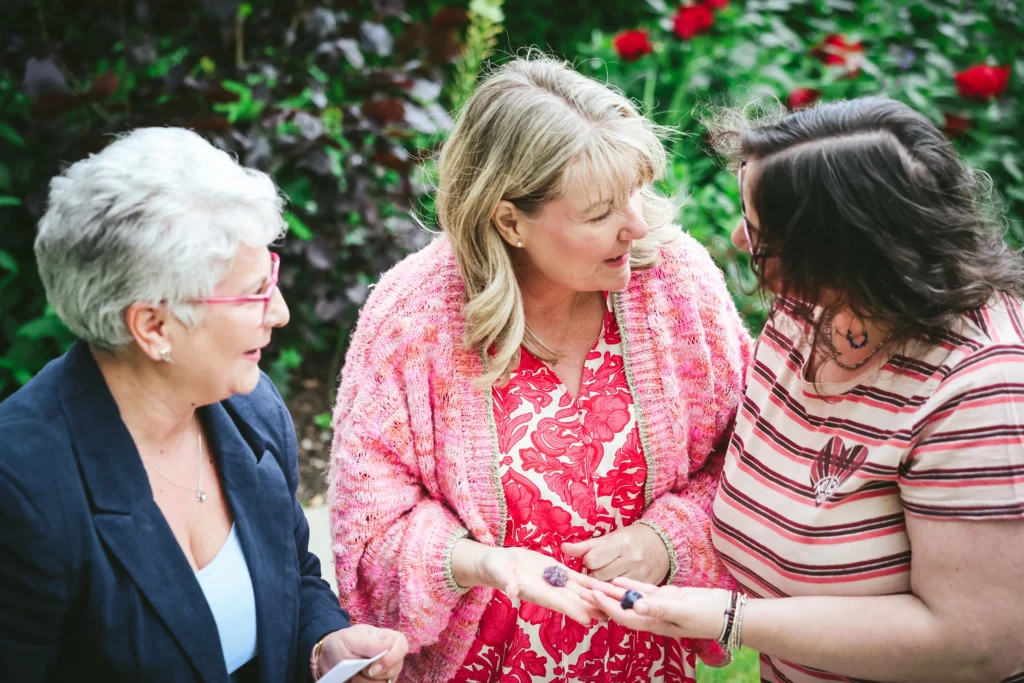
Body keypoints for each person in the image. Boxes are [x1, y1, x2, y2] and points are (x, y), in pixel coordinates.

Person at [328, 56, 752, 683]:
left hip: (644, 664)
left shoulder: (676, 287)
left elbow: (748, 455)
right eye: (600, 211)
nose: (636, 226)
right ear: (509, 220)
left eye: (636, 192)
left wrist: (667, 540)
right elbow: (370, 521)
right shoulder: (412, 318)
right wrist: (477, 562)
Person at [583, 97, 1024, 682]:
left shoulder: (983, 390)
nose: (740, 240)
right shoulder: (812, 310)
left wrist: (734, 619)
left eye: (763, 235)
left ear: (844, 253)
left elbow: (975, 642)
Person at [0, 127, 409, 683]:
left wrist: (323, 642)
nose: (281, 312)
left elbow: (294, 574)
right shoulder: (21, 488)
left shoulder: (252, 412)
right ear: (153, 325)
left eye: (273, 278)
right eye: (254, 292)